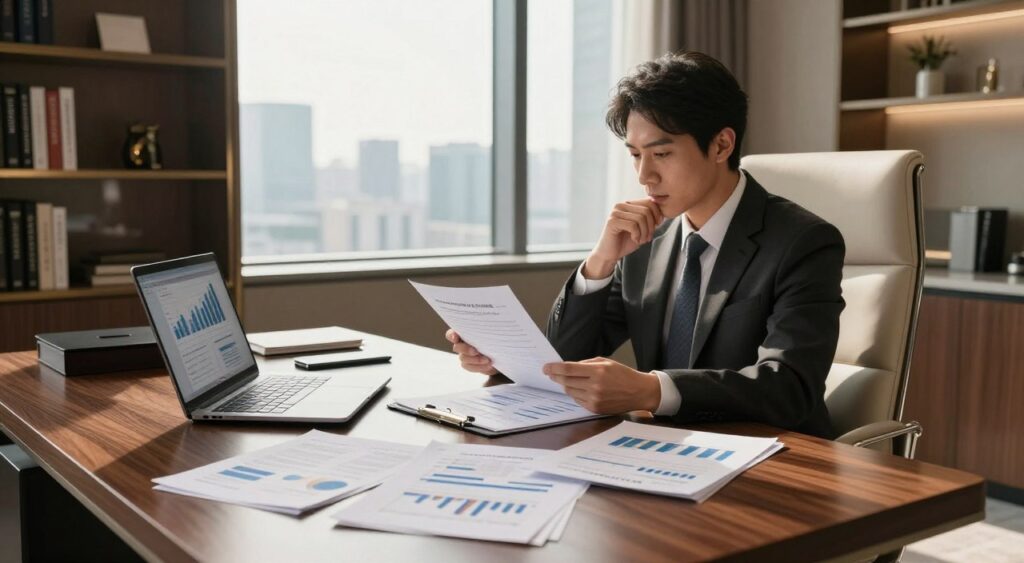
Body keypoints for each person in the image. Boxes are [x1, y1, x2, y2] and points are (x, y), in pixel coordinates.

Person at [446, 51, 844, 439]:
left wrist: (650, 390)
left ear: (722, 145)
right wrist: (600, 262)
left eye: (662, 153)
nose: (644, 176)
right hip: (663, 451)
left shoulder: (803, 242)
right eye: (635, 155)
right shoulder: (645, 242)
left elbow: (790, 388)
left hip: (775, 459)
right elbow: (565, 357)